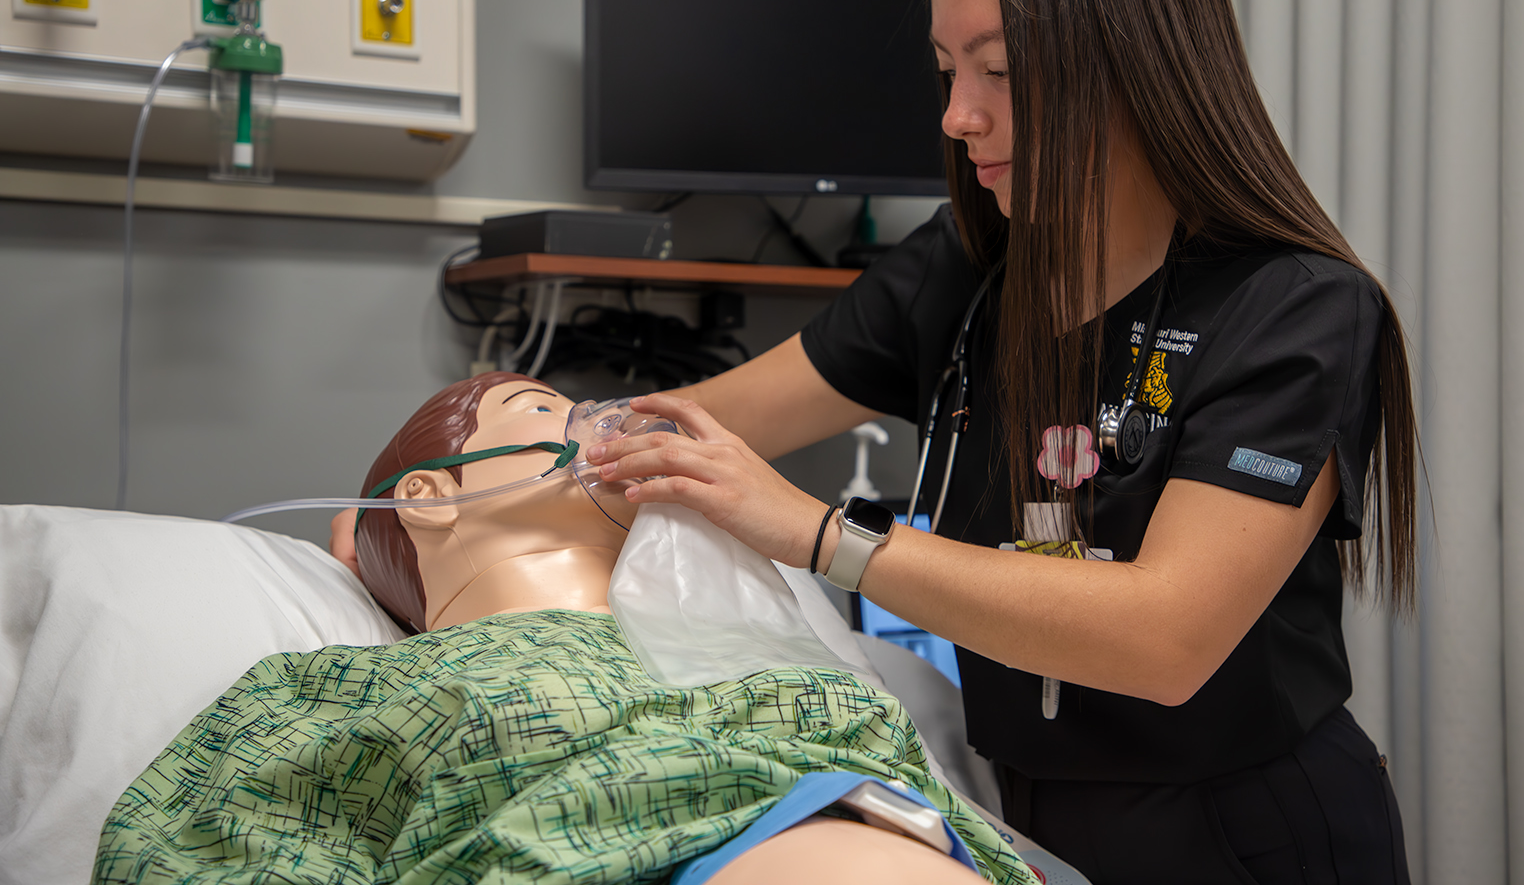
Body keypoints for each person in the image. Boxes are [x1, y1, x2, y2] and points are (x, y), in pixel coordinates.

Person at [573, 0, 1418, 884]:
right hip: (1030, 816)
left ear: (1135, 67)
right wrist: (552, 440)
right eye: (947, 71)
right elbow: (689, 427)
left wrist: (821, 536)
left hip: (1249, 834)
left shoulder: (1293, 310)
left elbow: (1166, 638)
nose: (957, 116)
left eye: (1000, 73)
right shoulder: (964, 271)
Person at [98, 373, 1032, 885]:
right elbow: (202, 855)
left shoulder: (745, 653)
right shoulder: (337, 689)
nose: (598, 420)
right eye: (542, 411)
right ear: (427, 497)